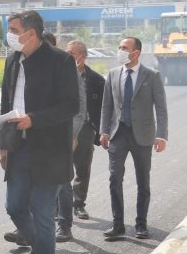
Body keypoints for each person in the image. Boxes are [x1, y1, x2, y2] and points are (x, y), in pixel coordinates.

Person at [0, 10, 79, 254]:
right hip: (19, 147)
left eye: (12, 29)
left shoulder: (61, 60)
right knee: (15, 206)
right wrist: (3, 145)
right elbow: (6, 103)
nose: (8, 34)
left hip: (50, 152)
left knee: (43, 214)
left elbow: (71, 105)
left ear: (30, 34)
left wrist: (34, 118)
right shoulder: (12, 60)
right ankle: (38, 247)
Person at [99, 37, 168, 241]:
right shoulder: (112, 74)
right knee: (114, 179)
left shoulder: (152, 76)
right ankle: (118, 224)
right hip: (118, 134)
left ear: (136, 52)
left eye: (124, 48)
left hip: (143, 136)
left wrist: (161, 135)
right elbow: (106, 106)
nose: (119, 51)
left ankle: (141, 224)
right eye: (119, 47)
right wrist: (103, 131)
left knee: (143, 181)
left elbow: (161, 109)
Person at [55, 40, 104, 240]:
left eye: (71, 53)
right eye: (66, 52)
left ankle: (79, 204)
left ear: (82, 56)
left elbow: (103, 106)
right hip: (65, 129)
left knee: (82, 169)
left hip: (85, 130)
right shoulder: (60, 76)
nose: (67, 56)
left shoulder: (96, 79)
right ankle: (60, 209)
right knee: (62, 170)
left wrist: (98, 129)